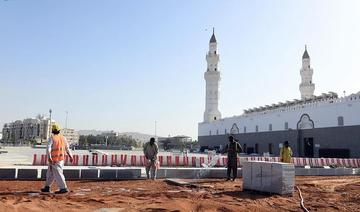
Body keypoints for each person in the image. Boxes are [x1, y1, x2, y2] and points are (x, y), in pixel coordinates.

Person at [41, 124, 73, 194]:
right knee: (50, 173)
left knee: (58, 174)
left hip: (54, 160)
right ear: (59, 130)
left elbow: (48, 148)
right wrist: (70, 156)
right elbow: (67, 148)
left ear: (52, 131)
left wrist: (49, 157)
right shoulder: (63, 138)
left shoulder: (52, 138)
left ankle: (63, 188)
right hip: (61, 159)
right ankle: (47, 187)